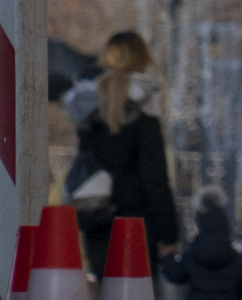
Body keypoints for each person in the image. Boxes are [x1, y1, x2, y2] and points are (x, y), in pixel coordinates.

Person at [63, 31, 179, 280]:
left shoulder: (87, 123)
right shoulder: (145, 126)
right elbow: (156, 183)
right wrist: (169, 236)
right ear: (143, 63)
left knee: (104, 298)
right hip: (137, 230)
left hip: (97, 223)